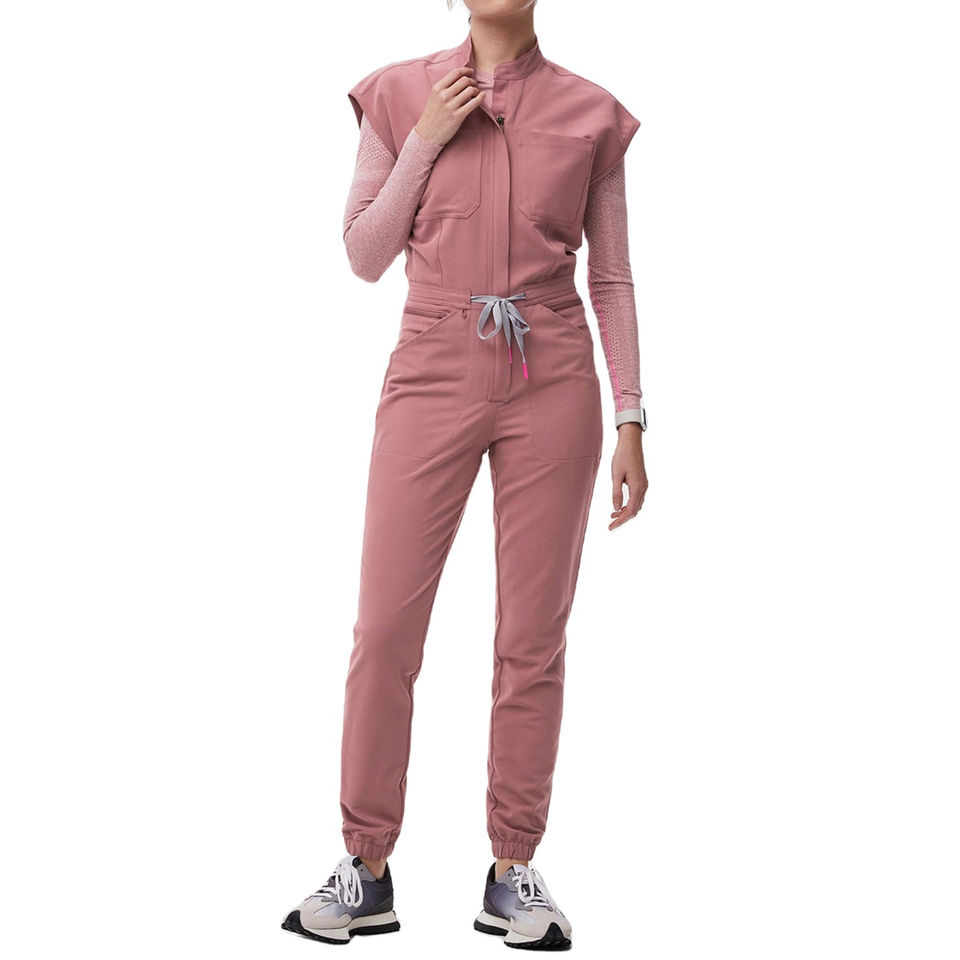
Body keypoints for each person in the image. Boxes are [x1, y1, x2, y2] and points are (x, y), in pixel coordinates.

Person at [282, 0, 648, 949]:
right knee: (384, 630)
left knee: (533, 638)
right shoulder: (397, 94)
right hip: (432, 363)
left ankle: (513, 869)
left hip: (552, 372)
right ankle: (365, 869)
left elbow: (610, 278)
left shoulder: (592, 113)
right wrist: (427, 139)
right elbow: (364, 255)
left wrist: (631, 414)